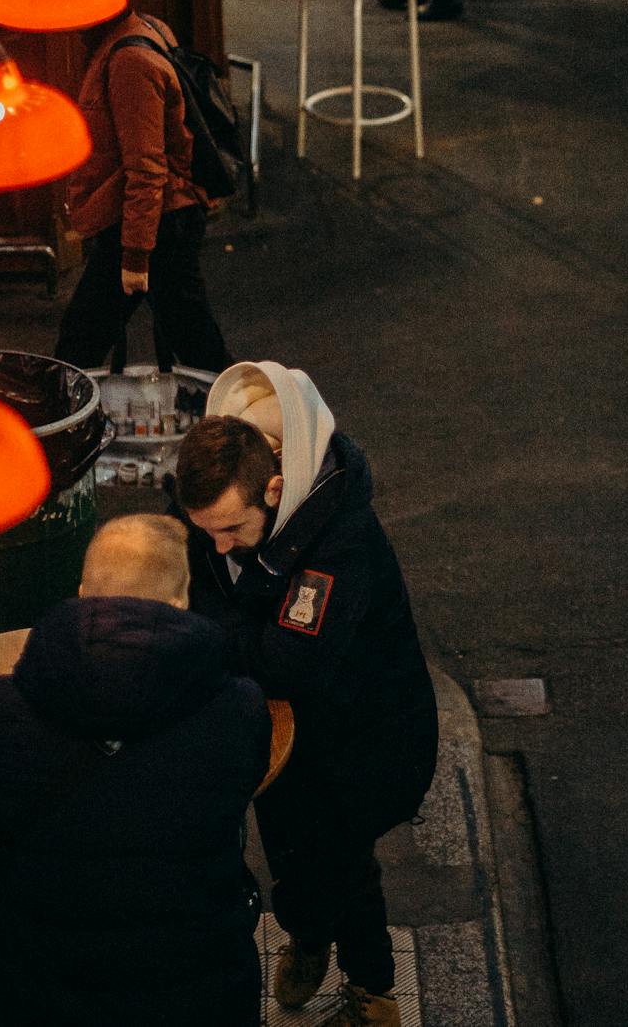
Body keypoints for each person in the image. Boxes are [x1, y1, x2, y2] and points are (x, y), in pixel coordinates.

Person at [174, 362, 438, 1027]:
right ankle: (309, 935)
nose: (218, 545)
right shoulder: (226, 505)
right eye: (206, 529)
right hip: (295, 730)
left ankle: (373, 993)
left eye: (231, 530)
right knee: (290, 845)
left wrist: (215, 624)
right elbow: (206, 579)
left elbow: (288, 662)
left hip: (364, 740)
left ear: (276, 488)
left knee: (342, 864)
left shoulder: (340, 541)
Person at [0, 514, 271, 1027]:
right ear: (180, 602)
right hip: (199, 988)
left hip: (47, 987)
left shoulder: (1, 710)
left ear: (81, 594)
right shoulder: (238, 710)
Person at [54, 0, 230, 374]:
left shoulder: (130, 62)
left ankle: (243, 429)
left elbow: (147, 169)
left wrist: (135, 257)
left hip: (152, 227)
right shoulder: (147, 28)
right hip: (153, 220)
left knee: (80, 347)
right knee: (193, 342)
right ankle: (238, 426)